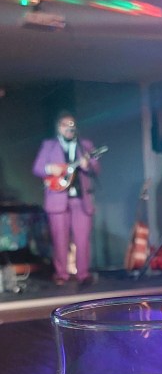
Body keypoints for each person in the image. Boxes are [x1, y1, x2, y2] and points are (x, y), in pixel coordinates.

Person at [33, 111, 101, 286]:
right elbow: (38, 168)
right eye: (65, 125)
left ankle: (83, 274)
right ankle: (61, 274)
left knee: (82, 239)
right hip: (57, 198)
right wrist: (50, 168)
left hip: (81, 199)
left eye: (71, 124)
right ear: (58, 127)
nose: (69, 128)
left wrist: (87, 165)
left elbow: (96, 168)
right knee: (60, 239)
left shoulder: (85, 145)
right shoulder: (49, 146)